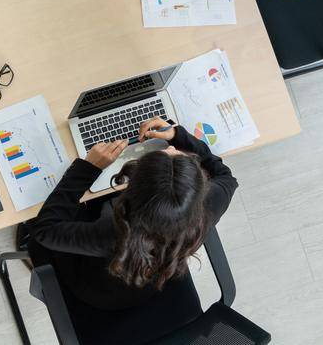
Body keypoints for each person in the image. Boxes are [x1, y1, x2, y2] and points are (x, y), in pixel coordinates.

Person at [23, 118, 238, 342]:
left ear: (131, 186)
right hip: (158, 279)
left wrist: (88, 169)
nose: (172, 149)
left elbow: (45, 231)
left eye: (172, 153)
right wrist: (177, 136)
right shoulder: (207, 205)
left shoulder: (112, 234)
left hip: (98, 294)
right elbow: (226, 177)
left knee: (41, 232)